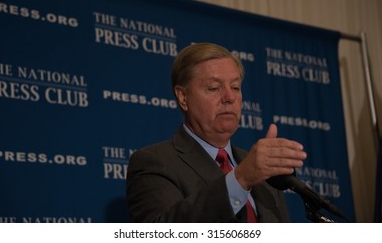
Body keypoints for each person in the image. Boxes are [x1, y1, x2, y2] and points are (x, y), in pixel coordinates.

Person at [126, 42, 307, 222]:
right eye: (214, 88)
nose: (229, 97)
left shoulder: (260, 168)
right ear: (183, 97)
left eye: (235, 87)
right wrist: (240, 179)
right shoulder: (154, 163)